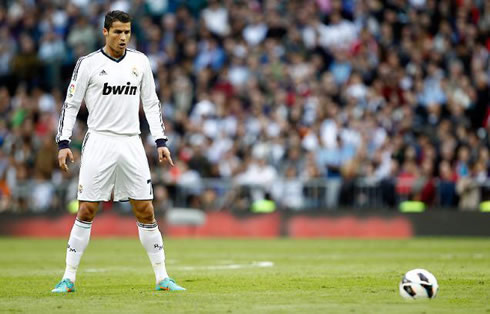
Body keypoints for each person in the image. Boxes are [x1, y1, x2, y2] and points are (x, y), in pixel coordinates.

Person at [52, 11, 185, 292]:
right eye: (117, 32)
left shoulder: (140, 62)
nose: (123, 37)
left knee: (146, 209)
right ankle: (68, 277)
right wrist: (63, 143)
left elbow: (151, 102)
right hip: (99, 141)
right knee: (87, 209)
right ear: (105, 32)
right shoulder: (87, 64)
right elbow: (71, 104)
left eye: (127, 32)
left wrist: (160, 141)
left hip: (132, 142)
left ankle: (162, 277)